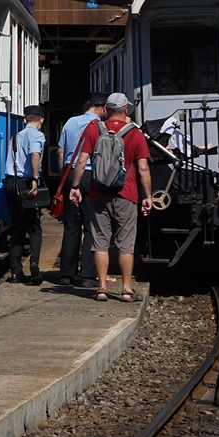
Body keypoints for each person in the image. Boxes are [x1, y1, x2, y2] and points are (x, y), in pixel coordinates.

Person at [68, 92, 152, 302]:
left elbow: (81, 161)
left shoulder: (94, 130)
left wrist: (75, 186)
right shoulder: (135, 133)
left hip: (98, 193)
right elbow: (143, 168)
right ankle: (126, 290)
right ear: (126, 109)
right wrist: (147, 196)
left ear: (106, 109)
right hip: (127, 193)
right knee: (125, 244)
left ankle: (102, 288)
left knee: (100, 242)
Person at [55, 92, 107, 286]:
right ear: (103, 107)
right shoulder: (100, 126)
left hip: (70, 174)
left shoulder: (70, 122)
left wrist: (64, 177)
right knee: (91, 225)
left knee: (71, 225)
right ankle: (87, 275)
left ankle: (66, 274)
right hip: (91, 176)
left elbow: (60, 152)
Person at [6, 105, 47, 285]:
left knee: (17, 227)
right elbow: (35, 154)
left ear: (25, 120)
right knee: (34, 227)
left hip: (11, 183)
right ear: (41, 120)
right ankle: (34, 263)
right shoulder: (37, 135)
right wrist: (35, 179)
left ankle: (16, 272)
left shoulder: (15, 137)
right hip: (26, 183)